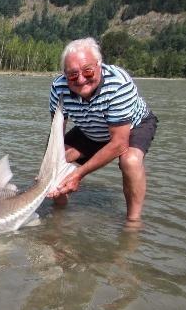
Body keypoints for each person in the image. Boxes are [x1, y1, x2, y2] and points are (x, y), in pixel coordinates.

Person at [48, 37, 158, 223]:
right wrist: (48, 168)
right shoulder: (58, 88)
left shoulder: (118, 84)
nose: (81, 79)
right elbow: (55, 137)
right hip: (91, 127)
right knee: (55, 165)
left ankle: (133, 222)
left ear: (99, 65)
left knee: (129, 161)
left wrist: (78, 174)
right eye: (73, 75)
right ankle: (58, 217)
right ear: (65, 74)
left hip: (132, 127)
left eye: (88, 71)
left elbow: (118, 144)